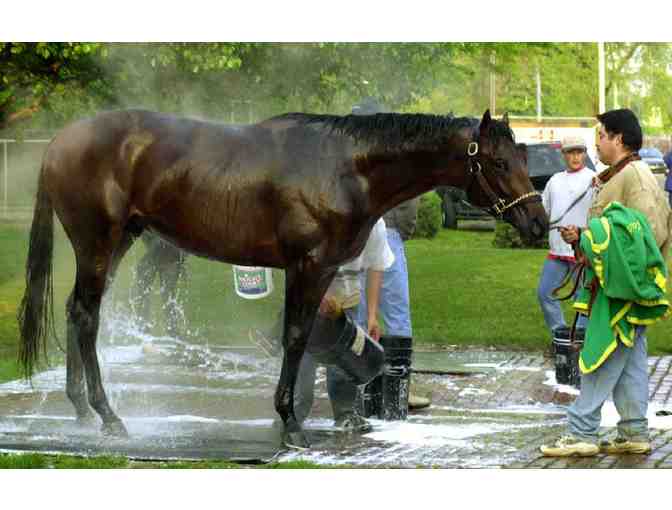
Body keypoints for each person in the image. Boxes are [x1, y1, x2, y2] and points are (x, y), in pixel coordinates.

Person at [540, 108, 671, 457]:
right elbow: (619, 233)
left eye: (601, 135)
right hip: (616, 285)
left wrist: (589, 237)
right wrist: (582, 237)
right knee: (629, 362)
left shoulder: (637, 177)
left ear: (620, 140)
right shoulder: (617, 175)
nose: (596, 142)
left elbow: (648, 235)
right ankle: (634, 432)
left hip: (624, 290)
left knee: (604, 354)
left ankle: (581, 430)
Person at [250, 217, 394, 433]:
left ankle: (346, 413)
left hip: (347, 299)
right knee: (303, 359)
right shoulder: (324, 216)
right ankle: (292, 414)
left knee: (344, 359)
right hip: (310, 298)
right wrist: (318, 295)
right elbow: (305, 259)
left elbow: (377, 267)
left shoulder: (375, 224)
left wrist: (372, 315)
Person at [352, 98, 431, 411]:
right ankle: (363, 387)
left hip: (388, 236)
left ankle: (398, 387)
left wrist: (397, 230)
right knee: (359, 312)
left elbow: (411, 198)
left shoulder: (395, 155)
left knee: (394, 313)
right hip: (361, 236)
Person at [536, 136, 594, 336]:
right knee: (544, 293)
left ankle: (580, 337)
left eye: (579, 152)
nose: (575, 156)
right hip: (557, 251)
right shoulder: (554, 181)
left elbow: (599, 216)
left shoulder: (594, 179)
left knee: (582, 298)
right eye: (571, 152)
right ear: (563, 154)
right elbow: (545, 212)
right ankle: (559, 333)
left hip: (582, 252)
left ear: (585, 153)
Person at [131, 231, 187, 337]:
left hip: (168, 249)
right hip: (171, 251)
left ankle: (144, 328)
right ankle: (171, 332)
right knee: (168, 296)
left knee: (165, 295)